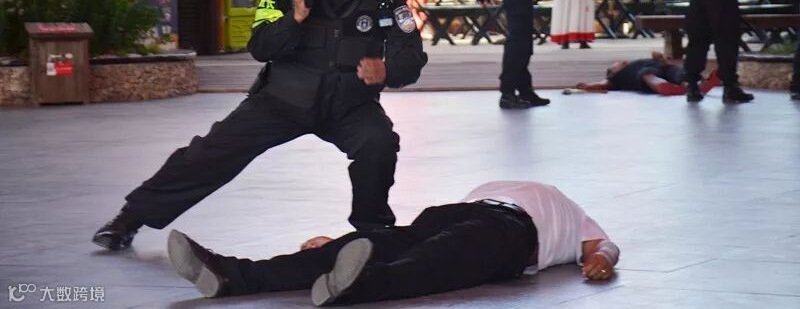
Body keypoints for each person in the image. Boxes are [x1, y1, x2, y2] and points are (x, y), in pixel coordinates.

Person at [92, 0, 428, 251]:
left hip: (349, 103)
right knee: (210, 153)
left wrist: (388, 70)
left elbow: (412, 56)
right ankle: (130, 219)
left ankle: (373, 237)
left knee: (378, 142)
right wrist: (295, 17)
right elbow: (260, 46)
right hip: (284, 99)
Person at [165, 180, 620, 305]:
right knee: (388, 244)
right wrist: (343, 244)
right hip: (463, 215)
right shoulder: (536, 194)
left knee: (431, 259)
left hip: (510, 230)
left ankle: (355, 284)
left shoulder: (569, 209)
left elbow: (604, 246)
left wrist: (599, 259)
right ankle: (230, 274)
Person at [574, 51, 720, 96]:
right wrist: (588, 86)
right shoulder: (616, 77)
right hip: (645, 74)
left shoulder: (636, 62)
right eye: (617, 63)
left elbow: (663, 64)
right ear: (613, 71)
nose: (622, 62)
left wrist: (659, 58)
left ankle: (692, 84)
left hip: (662, 67)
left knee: (677, 71)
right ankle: (662, 86)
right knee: (647, 75)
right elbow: (603, 84)